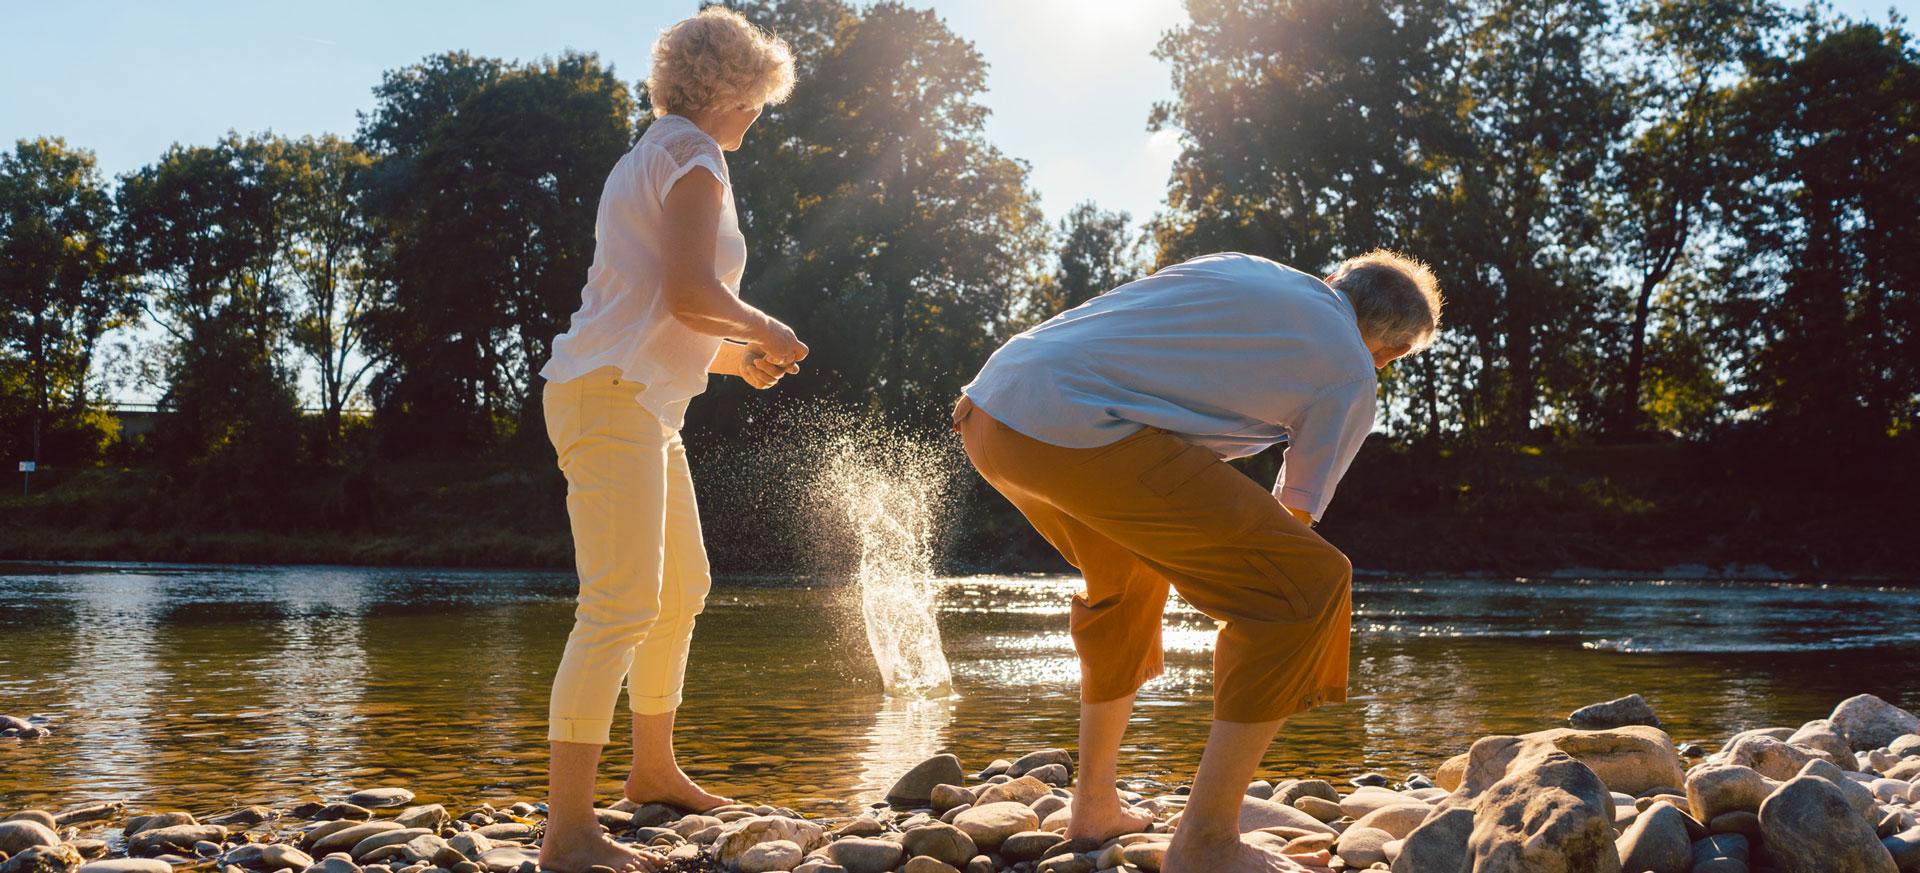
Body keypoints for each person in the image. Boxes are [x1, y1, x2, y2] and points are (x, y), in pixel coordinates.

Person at [953, 250, 1442, 873]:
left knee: (1129, 579)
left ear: (1334, 284)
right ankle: (1206, 841)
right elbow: (1293, 518)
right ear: (1387, 351)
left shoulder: (1242, 267)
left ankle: (1094, 807)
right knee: (1308, 587)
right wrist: (1244, 600)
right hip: (1075, 431)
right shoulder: (1350, 371)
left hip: (991, 410)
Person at [534, 9, 808, 872]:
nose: (757, 117)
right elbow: (691, 291)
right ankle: (567, 834)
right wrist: (770, 327)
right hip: (612, 400)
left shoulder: (647, 156)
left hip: (635, 397)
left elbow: (657, 308)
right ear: (727, 93)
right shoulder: (694, 158)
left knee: (682, 585)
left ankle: (651, 768)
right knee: (617, 606)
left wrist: (736, 361)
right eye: (756, 99)